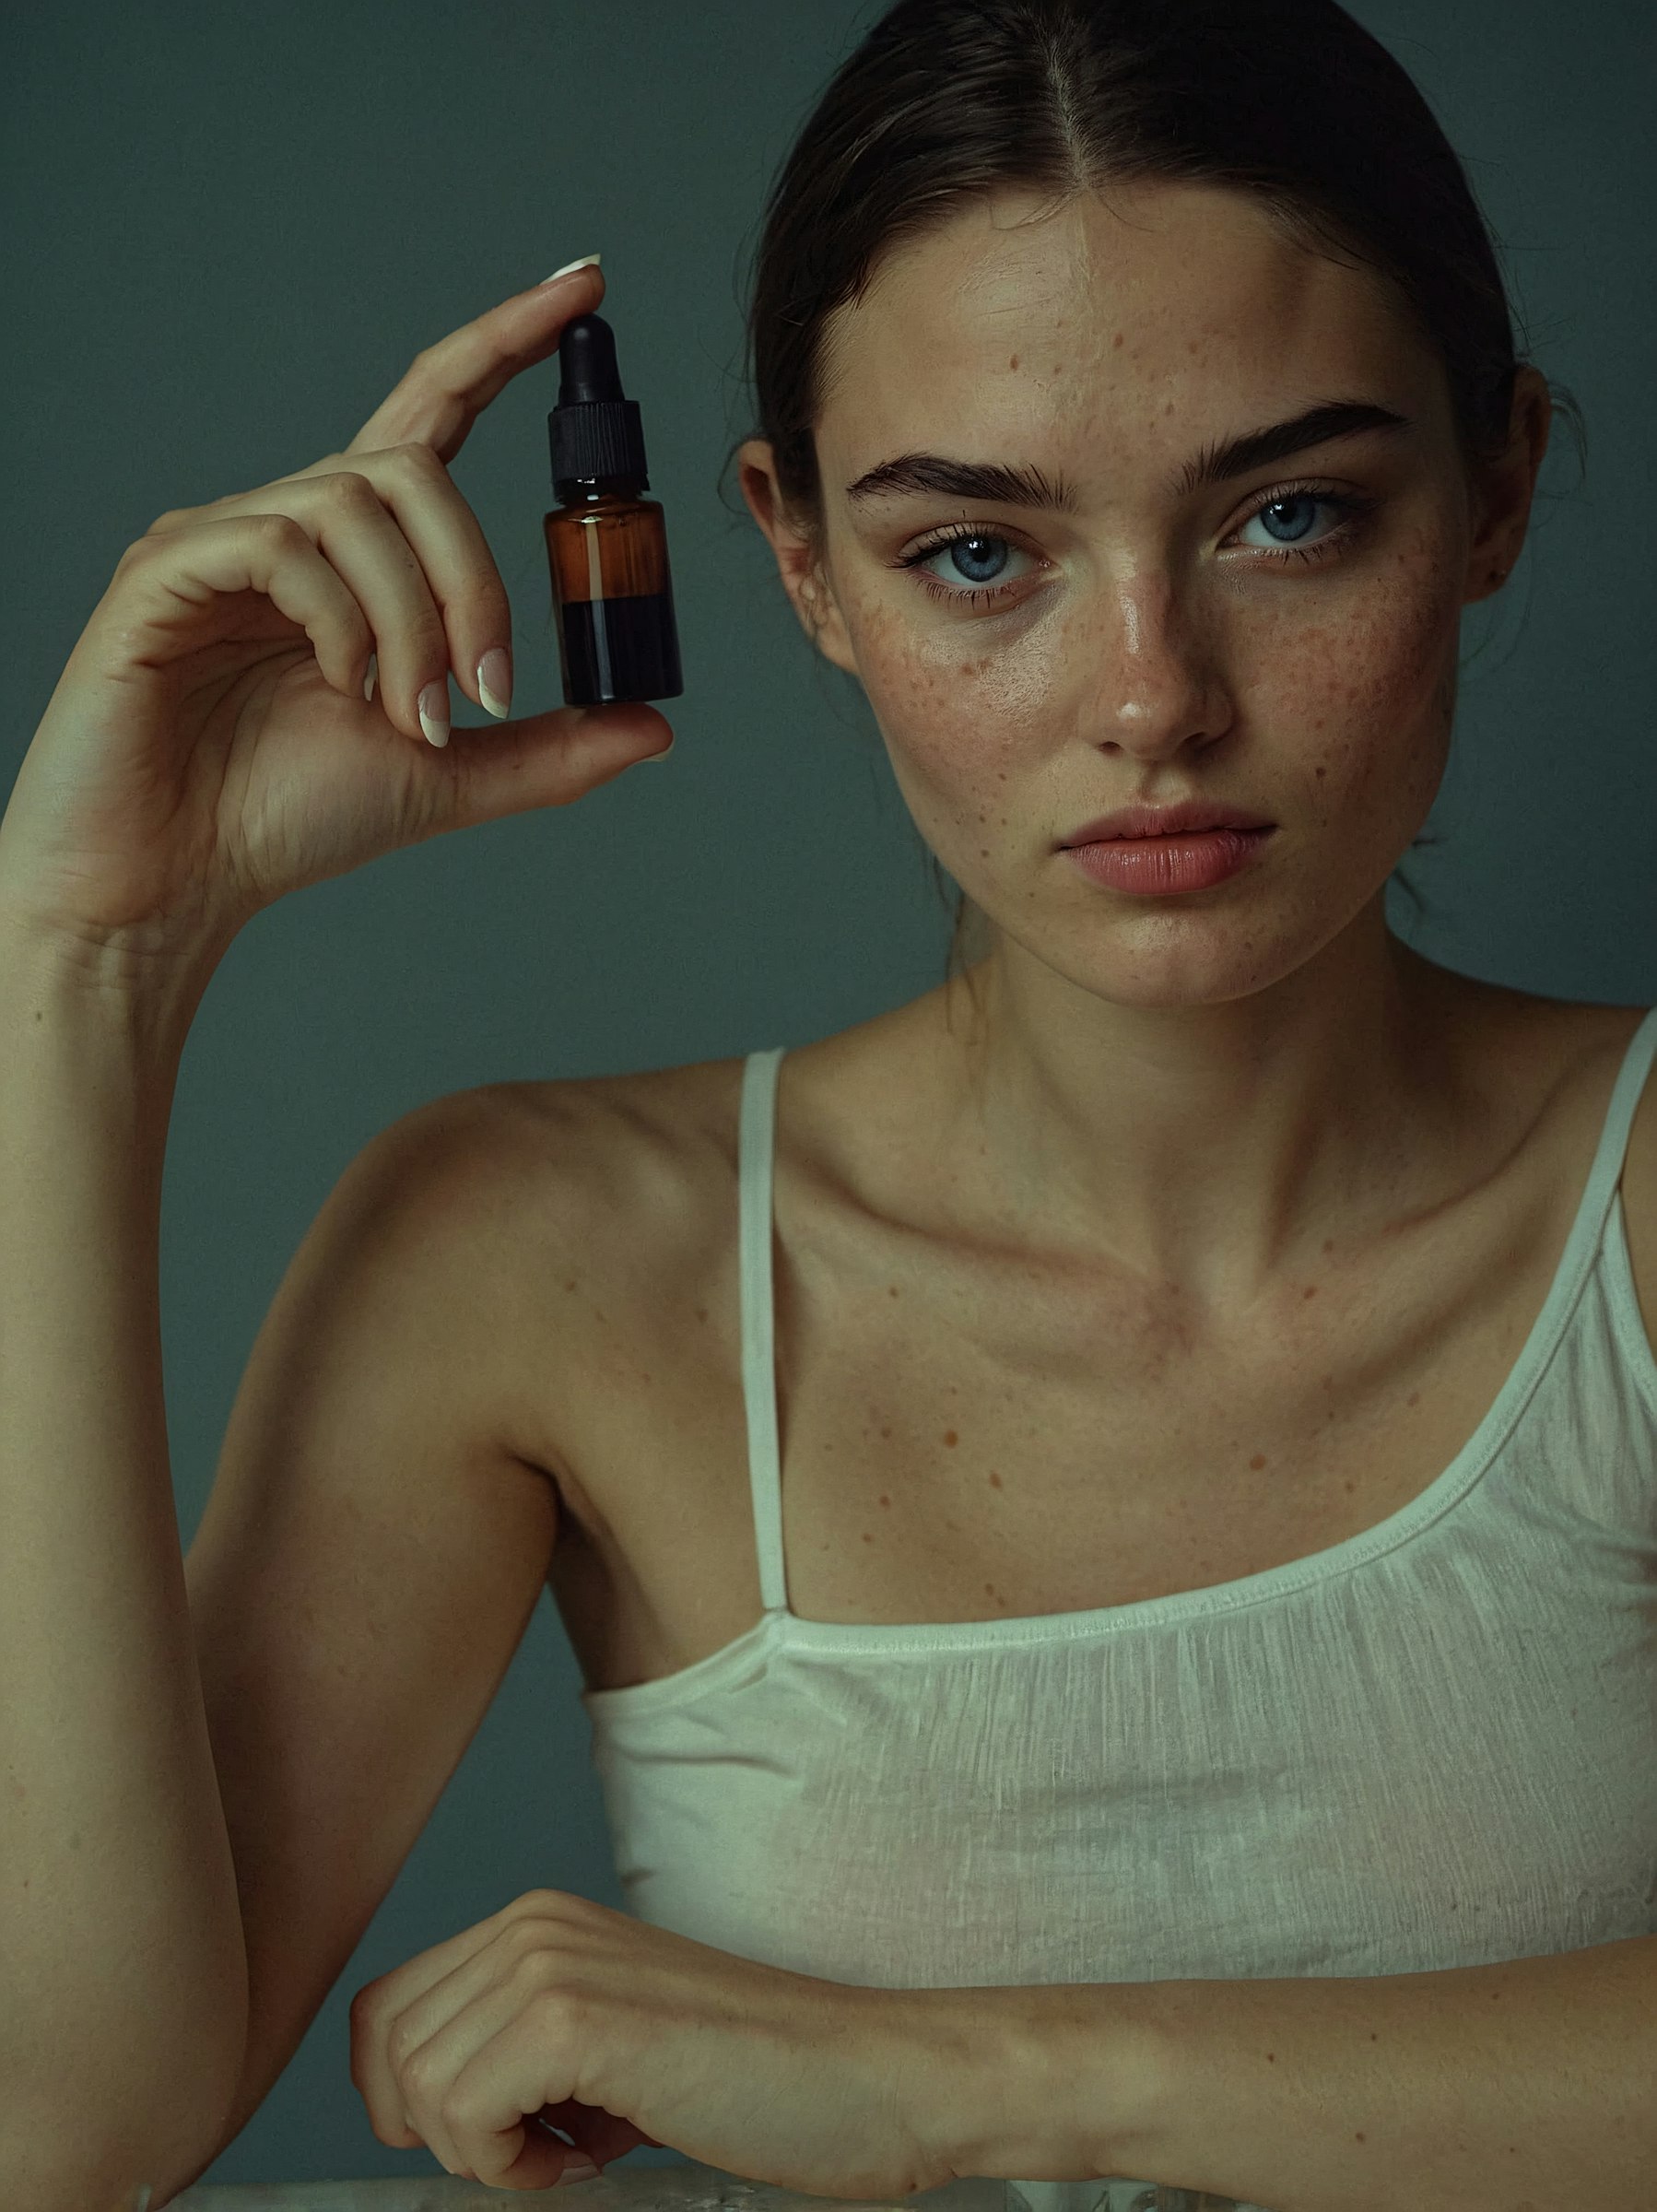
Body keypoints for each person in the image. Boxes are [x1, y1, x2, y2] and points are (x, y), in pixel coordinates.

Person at [3, 1, 1651, 2207]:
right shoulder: (543, 1256)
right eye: (975, 551)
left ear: (1493, 490)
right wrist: (81, 963)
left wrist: (954, 2080)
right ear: (799, 563)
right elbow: (57, 2136)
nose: (1150, 699)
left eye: (1287, 515)